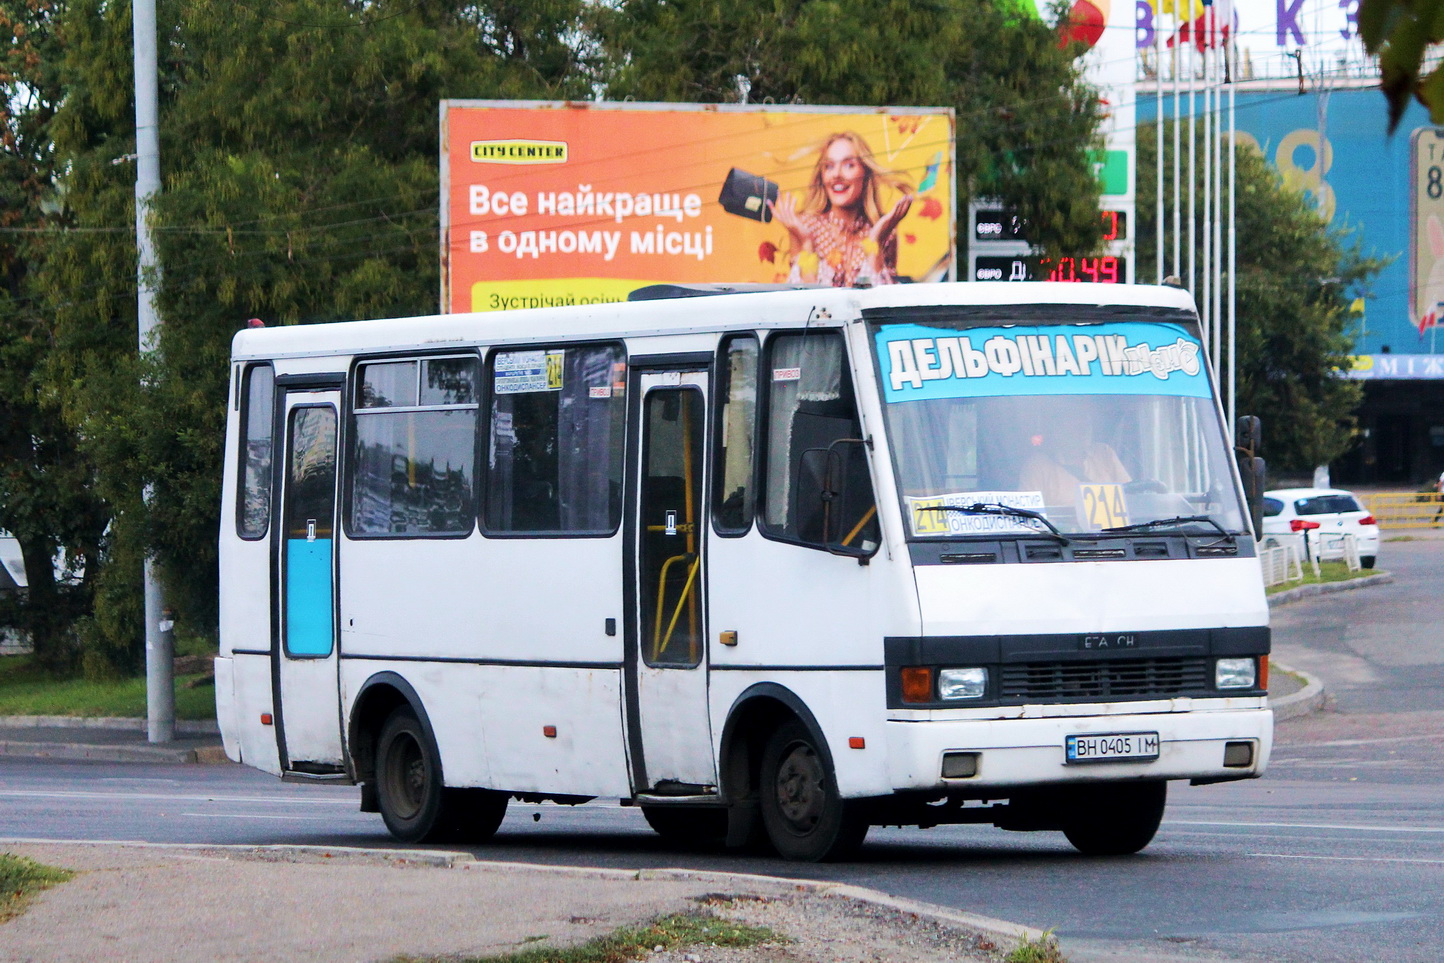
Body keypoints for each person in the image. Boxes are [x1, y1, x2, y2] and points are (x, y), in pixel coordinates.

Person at [768, 131, 913, 287]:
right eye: (829, 167)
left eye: (849, 165)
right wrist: (807, 243)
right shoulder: (805, 225)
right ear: (822, 176)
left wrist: (875, 241)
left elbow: (881, 303)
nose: (836, 174)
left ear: (865, 172)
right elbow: (805, 301)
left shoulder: (884, 230)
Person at [1018, 406, 1130, 506]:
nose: (1084, 430)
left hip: (1113, 529)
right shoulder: (1037, 466)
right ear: (1057, 430)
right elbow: (1028, 512)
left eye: (1086, 424)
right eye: (1076, 426)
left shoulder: (1104, 453)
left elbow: (1130, 495)